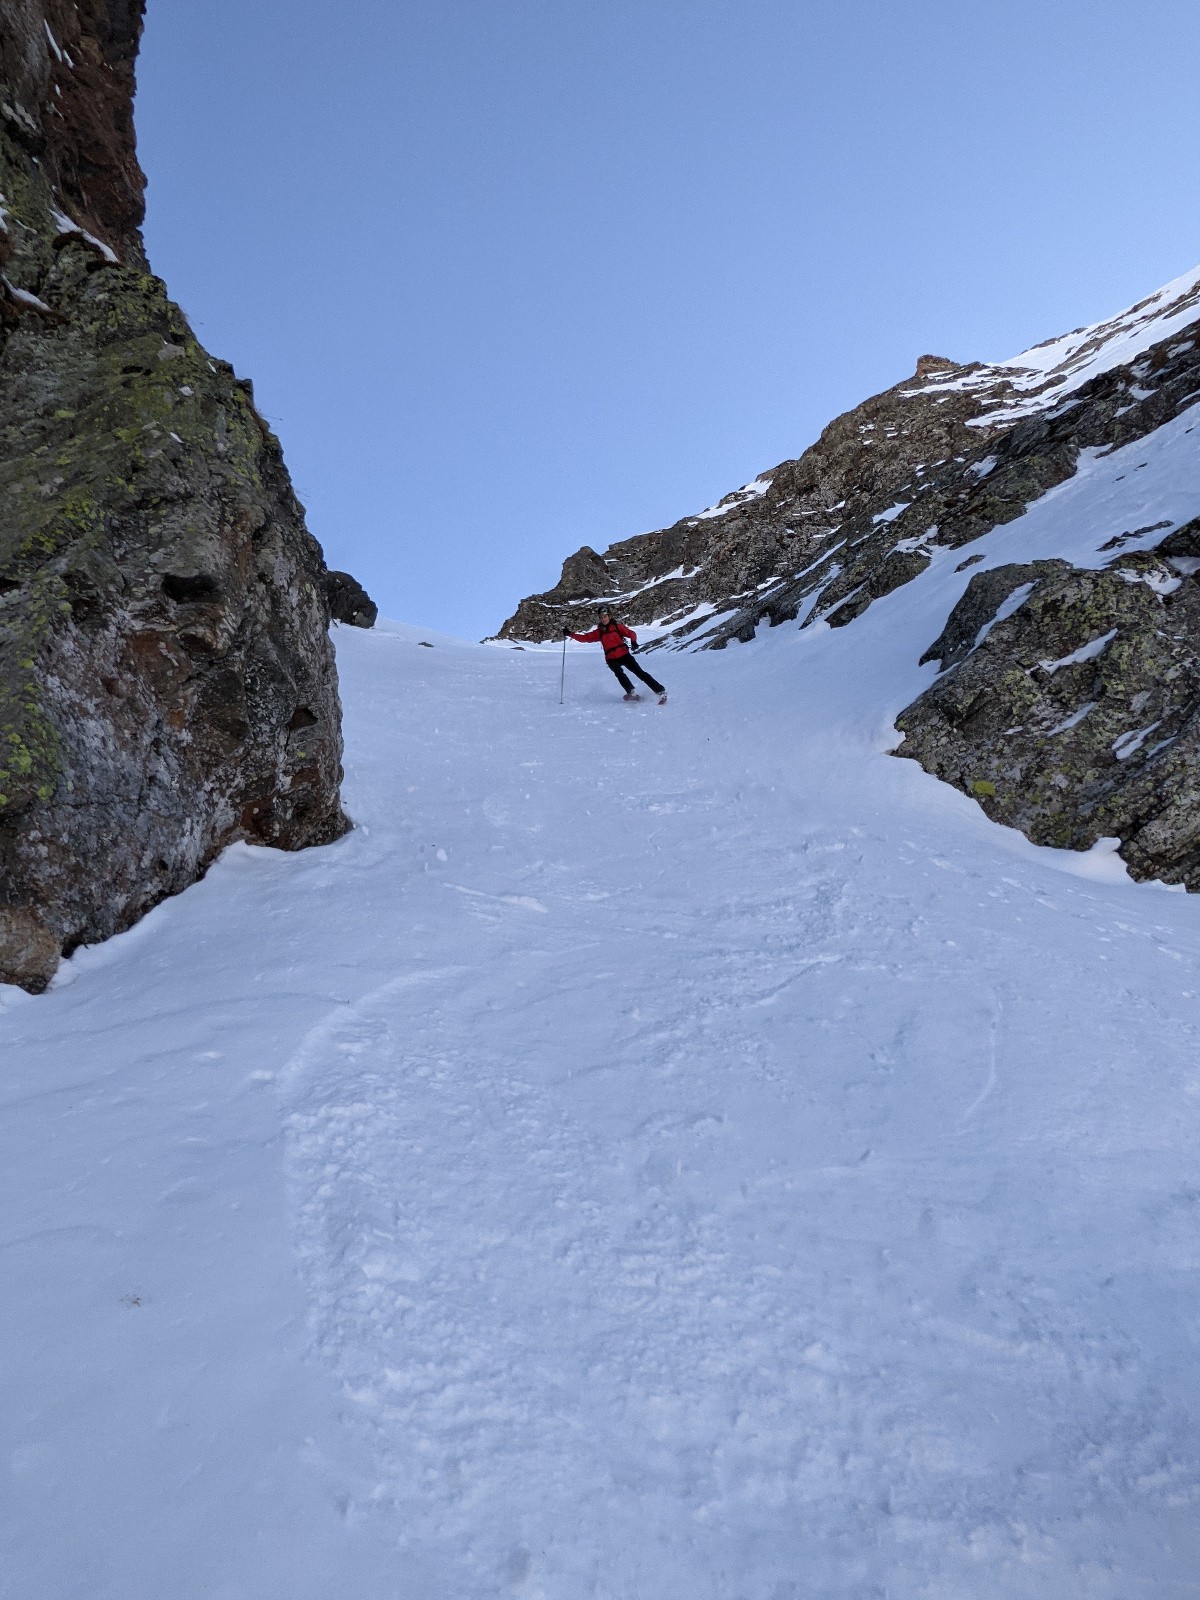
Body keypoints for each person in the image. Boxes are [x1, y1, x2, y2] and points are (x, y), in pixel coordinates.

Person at [565, 607, 667, 703]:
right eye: (601, 617)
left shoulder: (617, 627)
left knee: (640, 673)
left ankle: (660, 691)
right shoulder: (599, 632)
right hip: (611, 658)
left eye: (605, 616)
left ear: (609, 616)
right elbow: (585, 638)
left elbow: (631, 633)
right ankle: (631, 692)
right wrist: (570, 634)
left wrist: (633, 641)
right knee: (619, 674)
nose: (603, 619)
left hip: (624, 655)